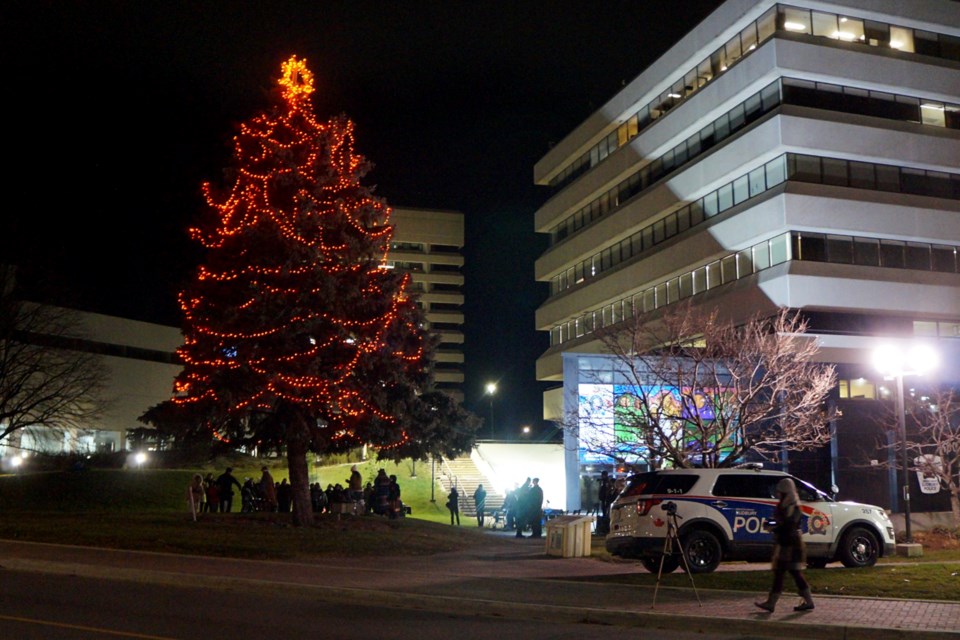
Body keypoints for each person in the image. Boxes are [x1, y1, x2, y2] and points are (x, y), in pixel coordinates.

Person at [755, 477, 815, 613]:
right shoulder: (786, 505)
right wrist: (773, 524)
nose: (778, 495)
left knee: (787, 573)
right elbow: (783, 523)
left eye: (781, 492)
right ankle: (807, 601)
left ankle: (773, 602)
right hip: (786, 542)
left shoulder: (793, 506)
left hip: (791, 544)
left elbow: (789, 526)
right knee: (789, 573)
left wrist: (774, 528)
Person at [597, 470, 616, 535]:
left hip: (605, 499)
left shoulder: (607, 482)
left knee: (605, 513)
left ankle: (605, 527)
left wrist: (605, 497)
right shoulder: (604, 482)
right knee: (604, 512)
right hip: (603, 499)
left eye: (603, 475)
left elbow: (607, 491)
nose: (602, 476)